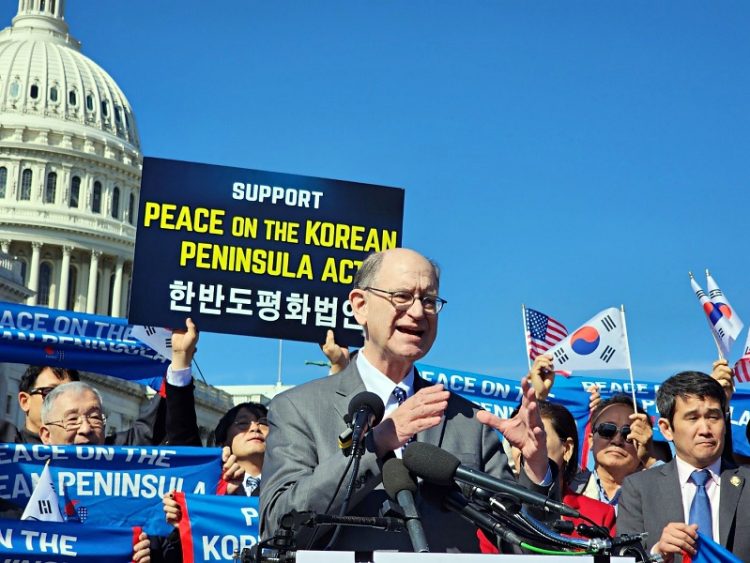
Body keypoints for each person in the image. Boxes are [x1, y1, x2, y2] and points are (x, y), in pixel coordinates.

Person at [260, 247, 557, 552]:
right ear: (360, 306)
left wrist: (535, 470)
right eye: (402, 296)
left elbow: (525, 547)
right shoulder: (298, 409)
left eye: (429, 300)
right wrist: (378, 443)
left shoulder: (469, 421)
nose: (418, 312)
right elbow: (280, 525)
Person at [617, 371, 750, 562]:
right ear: (666, 429)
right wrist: (657, 553)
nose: (705, 430)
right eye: (692, 418)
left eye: (713, 417)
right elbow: (623, 556)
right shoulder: (638, 488)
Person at [480, 400, 616, 552]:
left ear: (567, 449)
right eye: (517, 440)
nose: (526, 447)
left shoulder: (599, 515)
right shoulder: (496, 514)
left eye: (539, 438)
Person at [36, 380, 151, 562]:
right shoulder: (20, 492)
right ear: (46, 435)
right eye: (72, 420)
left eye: (95, 417)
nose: (86, 428)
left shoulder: (132, 495)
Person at [568, 394, 656, 512]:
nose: (617, 441)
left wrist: (650, 460)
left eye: (628, 434)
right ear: (591, 440)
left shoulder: (656, 491)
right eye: (607, 430)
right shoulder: (566, 486)